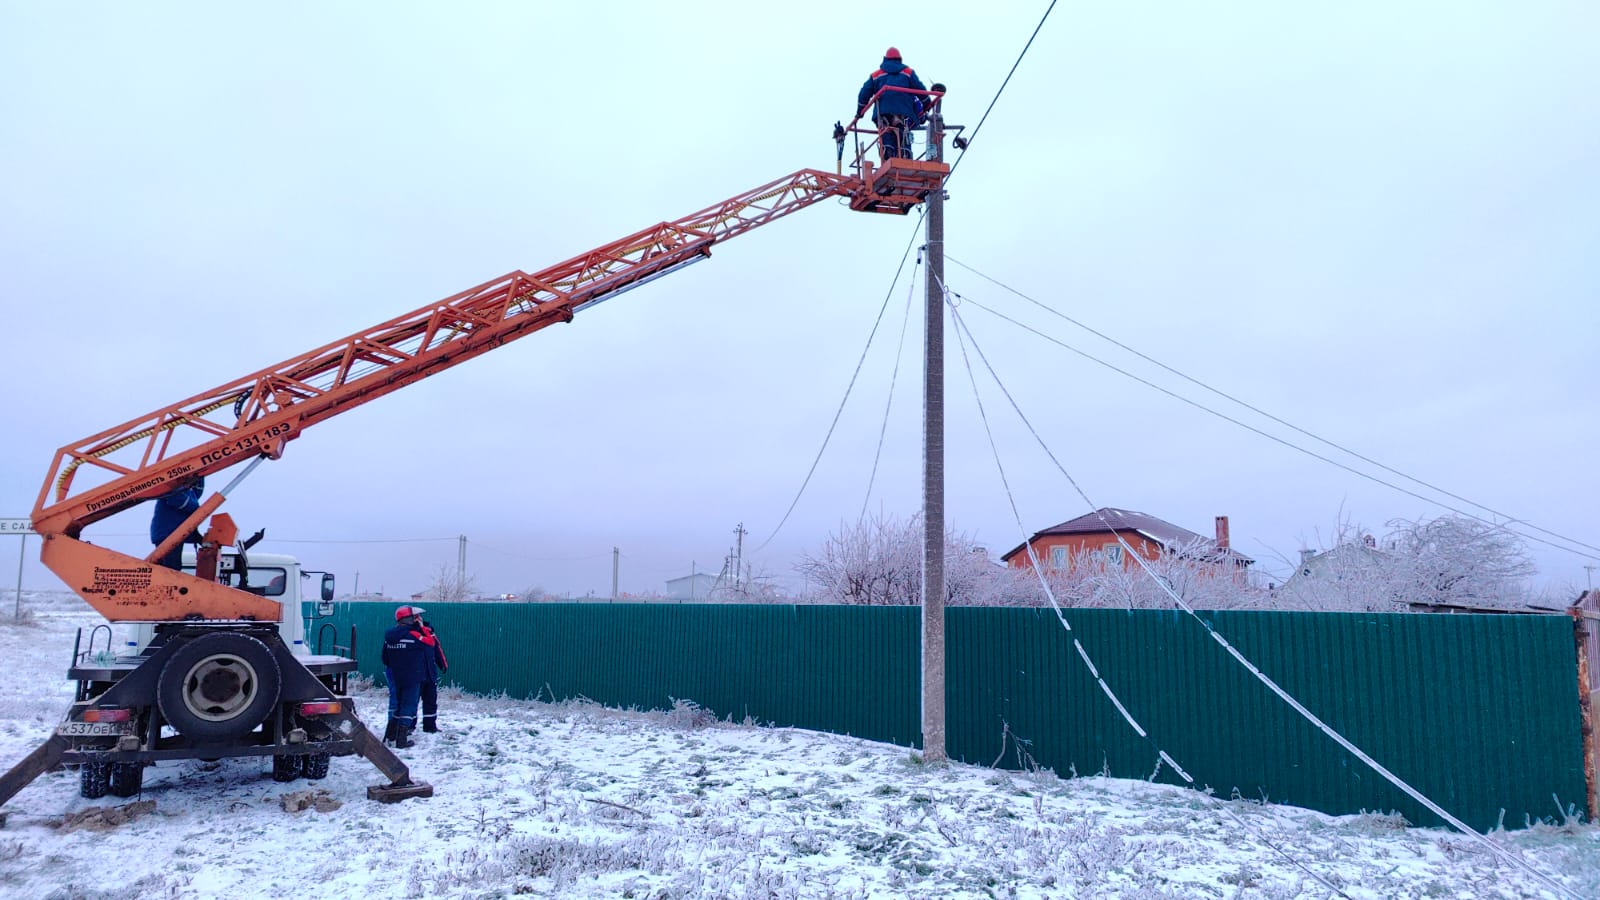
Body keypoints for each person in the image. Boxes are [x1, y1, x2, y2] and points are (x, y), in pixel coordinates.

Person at [857, 47, 927, 161]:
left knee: (887, 131)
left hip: (884, 113)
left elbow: (864, 93)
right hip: (904, 112)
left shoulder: (876, 75)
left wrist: (859, 112)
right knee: (903, 132)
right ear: (899, 59)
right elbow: (921, 90)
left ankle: (888, 152)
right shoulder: (908, 72)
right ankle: (906, 153)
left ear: (885, 59)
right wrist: (927, 103)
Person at [381, 605, 430, 748]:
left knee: (396, 705)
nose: (418, 619)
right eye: (415, 617)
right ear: (408, 619)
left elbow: (385, 658)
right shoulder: (414, 635)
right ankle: (401, 740)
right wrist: (422, 628)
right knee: (408, 706)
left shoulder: (389, 636)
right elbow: (430, 643)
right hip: (412, 676)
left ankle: (390, 736)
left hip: (396, 675)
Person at [149, 477, 204, 570]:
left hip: (173, 534)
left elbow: (197, 492)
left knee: (173, 566)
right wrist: (199, 509)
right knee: (171, 568)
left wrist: (200, 475)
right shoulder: (172, 489)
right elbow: (180, 501)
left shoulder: (186, 491)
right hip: (168, 534)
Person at [415, 616, 449, 733]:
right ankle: (409, 727)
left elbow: (436, 648)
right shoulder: (409, 632)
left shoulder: (429, 630)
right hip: (415, 674)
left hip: (429, 672)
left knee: (431, 700)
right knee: (412, 701)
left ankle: (430, 726)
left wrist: (442, 663)